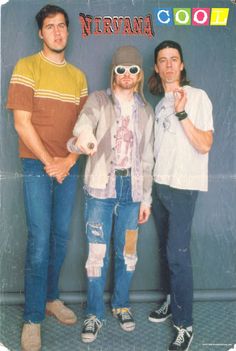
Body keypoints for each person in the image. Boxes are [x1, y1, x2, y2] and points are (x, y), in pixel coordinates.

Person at [6, 4, 88, 351]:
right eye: (50, 27)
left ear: (67, 32)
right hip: (37, 165)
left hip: (66, 167)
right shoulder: (27, 67)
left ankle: (51, 298)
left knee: (58, 237)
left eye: (62, 26)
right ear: (40, 33)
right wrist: (50, 162)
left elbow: (87, 130)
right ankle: (33, 318)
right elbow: (21, 123)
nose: (57, 32)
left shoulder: (78, 77)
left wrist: (67, 161)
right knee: (40, 240)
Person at [69, 45, 154, 343]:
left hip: (132, 193)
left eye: (133, 69)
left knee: (128, 253)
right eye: (121, 69)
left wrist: (146, 199)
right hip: (100, 191)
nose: (127, 75)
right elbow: (83, 123)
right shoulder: (98, 100)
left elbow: (146, 158)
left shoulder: (146, 110)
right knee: (97, 254)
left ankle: (121, 304)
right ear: (114, 72)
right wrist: (84, 136)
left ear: (139, 73)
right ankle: (94, 313)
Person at [147, 40, 214, 351]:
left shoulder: (198, 97)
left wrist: (183, 113)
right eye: (164, 60)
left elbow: (205, 145)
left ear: (182, 65)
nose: (170, 65)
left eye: (174, 59)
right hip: (161, 187)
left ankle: (185, 325)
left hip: (184, 187)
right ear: (157, 68)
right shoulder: (160, 104)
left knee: (177, 254)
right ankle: (172, 301)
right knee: (165, 251)